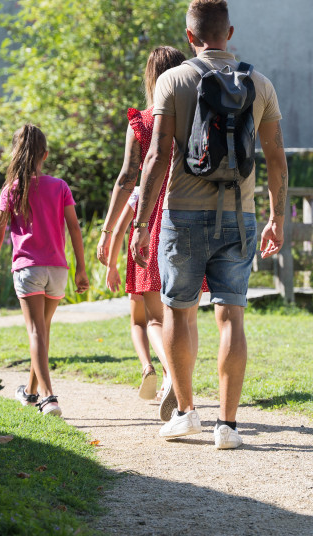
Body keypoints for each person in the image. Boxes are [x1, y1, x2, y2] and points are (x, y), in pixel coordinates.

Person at [131, 0, 288, 450]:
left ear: (189, 36)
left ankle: (186, 413)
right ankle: (229, 425)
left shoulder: (172, 81)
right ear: (230, 34)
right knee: (231, 315)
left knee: (180, 309)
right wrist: (277, 217)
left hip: (182, 214)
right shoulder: (260, 84)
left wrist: (141, 223)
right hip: (240, 215)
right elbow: (276, 159)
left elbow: (158, 156)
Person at [96, 46, 202, 421]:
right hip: (193, 212)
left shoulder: (142, 122)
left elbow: (128, 178)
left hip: (153, 220)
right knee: (187, 317)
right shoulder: (196, 116)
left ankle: (173, 375)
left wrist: (109, 230)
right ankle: (183, 390)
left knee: (157, 318)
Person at [0, 124, 89, 417]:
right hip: (57, 270)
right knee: (42, 331)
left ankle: (48, 397)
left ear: (16, 154)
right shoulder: (60, 186)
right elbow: (75, 228)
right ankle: (30, 393)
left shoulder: (12, 189)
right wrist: (81, 268)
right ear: (44, 154)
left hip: (29, 269)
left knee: (35, 332)